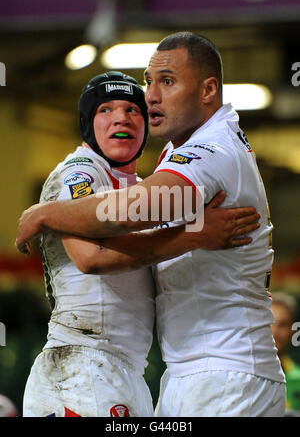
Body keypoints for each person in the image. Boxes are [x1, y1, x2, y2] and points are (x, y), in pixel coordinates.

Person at [15, 32, 281, 416]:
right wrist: (194, 236)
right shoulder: (86, 170)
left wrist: (40, 214)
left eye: (167, 82)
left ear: (208, 90)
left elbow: (126, 211)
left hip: (220, 375)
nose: (151, 96)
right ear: (87, 122)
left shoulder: (210, 151)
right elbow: (95, 254)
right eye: (149, 82)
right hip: (105, 368)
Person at [271, 292, 300, 415]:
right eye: (269, 324)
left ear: (292, 331)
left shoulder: (298, 378)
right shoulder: (240, 374)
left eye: (282, 325)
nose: (274, 332)